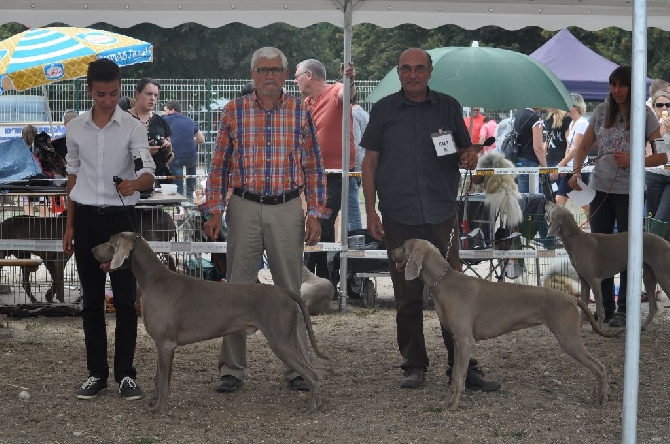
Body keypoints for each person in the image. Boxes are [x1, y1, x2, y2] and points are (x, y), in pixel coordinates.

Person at [361, 47, 501, 392]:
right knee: (407, 296)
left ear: (430, 71)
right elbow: (370, 163)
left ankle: (464, 367)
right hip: (399, 216)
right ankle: (413, 364)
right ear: (398, 72)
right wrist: (369, 209)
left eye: (418, 68)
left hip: (441, 213)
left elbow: (461, 153)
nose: (412, 74)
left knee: (452, 294)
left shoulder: (449, 107)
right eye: (406, 68)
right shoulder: (383, 110)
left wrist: (469, 157)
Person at [202, 47, 328, 394]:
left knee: (289, 290)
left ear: (286, 75)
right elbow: (219, 165)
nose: (269, 75)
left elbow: (314, 167)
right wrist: (214, 209)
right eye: (263, 69)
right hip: (243, 206)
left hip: (287, 206)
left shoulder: (300, 111)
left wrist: (315, 213)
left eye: (276, 69)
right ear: (252, 74)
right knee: (237, 287)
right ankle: (231, 368)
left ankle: (297, 367)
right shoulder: (234, 111)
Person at [62, 58, 156, 400]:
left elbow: (148, 169)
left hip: (121, 220)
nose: (108, 100)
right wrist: (70, 225)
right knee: (91, 301)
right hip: (85, 217)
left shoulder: (132, 126)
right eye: (101, 94)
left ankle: (126, 375)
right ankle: (96, 374)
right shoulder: (74, 129)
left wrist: (136, 183)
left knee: (127, 301)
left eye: (114, 93)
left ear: (120, 88)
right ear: (89, 90)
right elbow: (71, 178)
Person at [569, 66, 663, 328]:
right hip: (600, 190)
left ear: (632, 88)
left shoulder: (644, 115)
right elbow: (584, 146)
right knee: (599, 252)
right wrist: (576, 173)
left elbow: (663, 154)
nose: (617, 91)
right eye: (613, 85)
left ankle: (625, 308)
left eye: (622, 85)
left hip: (629, 192)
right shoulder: (601, 111)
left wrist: (637, 160)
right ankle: (605, 309)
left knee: (628, 252)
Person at [294, 58, 356, 282]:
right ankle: (327, 278)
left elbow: (347, 95)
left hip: (334, 174)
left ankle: (309, 276)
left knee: (320, 222)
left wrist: (349, 79)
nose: (295, 81)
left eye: (297, 76)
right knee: (324, 227)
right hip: (311, 175)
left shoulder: (336, 90)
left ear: (309, 75)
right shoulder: (305, 103)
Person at [127, 79, 172, 189]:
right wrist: (143, 152)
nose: (153, 98)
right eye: (149, 94)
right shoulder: (123, 120)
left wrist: (167, 148)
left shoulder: (161, 121)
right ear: (137, 94)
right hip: (130, 181)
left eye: (156, 95)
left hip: (158, 181)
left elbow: (170, 157)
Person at [553, 93, 590, 208]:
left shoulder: (582, 123)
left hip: (579, 168)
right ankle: (592, 221)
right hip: (571, 168)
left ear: (575, 106)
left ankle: (593, 222)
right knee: (562, 199)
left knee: (580, 201)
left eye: (568, 104)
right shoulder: (572, 124)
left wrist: (561, 164)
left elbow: (576, 148)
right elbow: (569, 147)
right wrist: (565, 165)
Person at [163, 100, 205, 198]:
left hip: (175, 155)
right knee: (191, 176)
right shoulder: (189, 120)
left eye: (165, 111)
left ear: (172, 110)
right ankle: (191, 198)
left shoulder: (165, 120)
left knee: (178, 181)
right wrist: (190, 140)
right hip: (191, 155)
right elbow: (201, 139)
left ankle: (179, 205)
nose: (163, 113)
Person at [644, 90, 670, 240]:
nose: (664, 108)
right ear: (654, 107)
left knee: (661, 217)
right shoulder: (650, 125)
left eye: (668, 104)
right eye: (660, 105)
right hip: (654, 174)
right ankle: (656, 253)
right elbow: (652, 152)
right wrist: (661, 133)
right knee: (653, 217)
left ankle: (658, 249)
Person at [513, 107, 546, 194]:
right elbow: (538, 147)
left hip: (517, 159)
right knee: (533, 199)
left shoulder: (519, 114)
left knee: (522, 196)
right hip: (529, 162)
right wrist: (545, 166)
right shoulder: (535, 118)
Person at [348, 93, 369, 231]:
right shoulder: (362, 112)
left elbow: (354, 144)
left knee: (352, 209)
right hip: (360, 166)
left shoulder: (352, 114)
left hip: (353, 168)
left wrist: (351, 168)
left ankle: (355, 240)